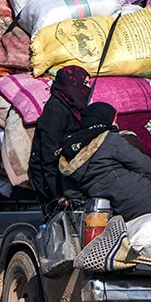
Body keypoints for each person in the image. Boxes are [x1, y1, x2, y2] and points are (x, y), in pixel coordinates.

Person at [29, 65, 90, 211]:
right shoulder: (56, 110)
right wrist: (57, 196)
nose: (88, 88)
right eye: (85, 83)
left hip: (65, 179)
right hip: (51, 183)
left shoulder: (73, 107)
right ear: (72, 84)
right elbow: (49, 158)